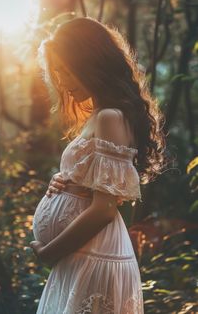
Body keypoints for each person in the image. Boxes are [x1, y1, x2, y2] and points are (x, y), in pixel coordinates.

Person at [30, 16, 167, 313]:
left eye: (66, 70)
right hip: (83, 256)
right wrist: (65, 180)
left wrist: (48, 252)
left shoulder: (110, 117)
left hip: (93, 257)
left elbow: (104, 208)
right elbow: (95, 187)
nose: (63, 81)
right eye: (57, 73)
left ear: (90, 62)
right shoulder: (104, 115)